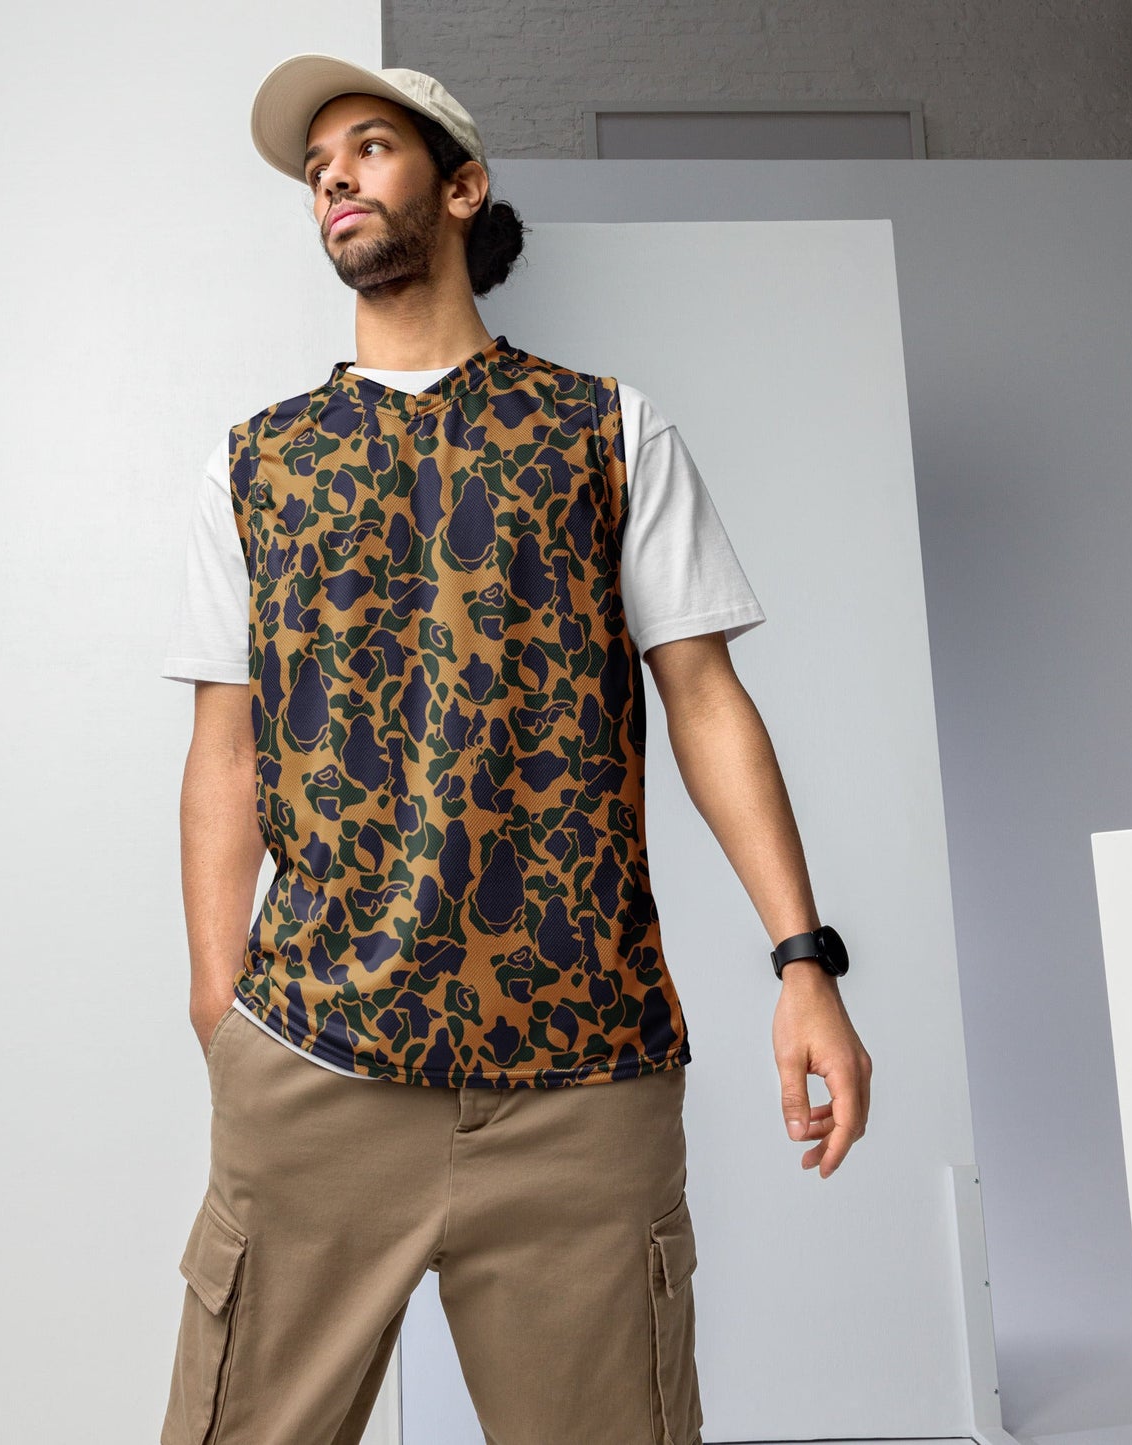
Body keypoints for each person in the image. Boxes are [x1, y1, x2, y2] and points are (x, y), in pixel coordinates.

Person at [156, 53, 872, 1445]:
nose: (335, 179)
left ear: (462, 186)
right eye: (317, 169)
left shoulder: (609, 431)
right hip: (318, 1056)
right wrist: (218, 1004)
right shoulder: (255, 466)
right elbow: (224, 747)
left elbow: (704, 698)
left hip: (582, 1078)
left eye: (370, 147)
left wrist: (805, 963)